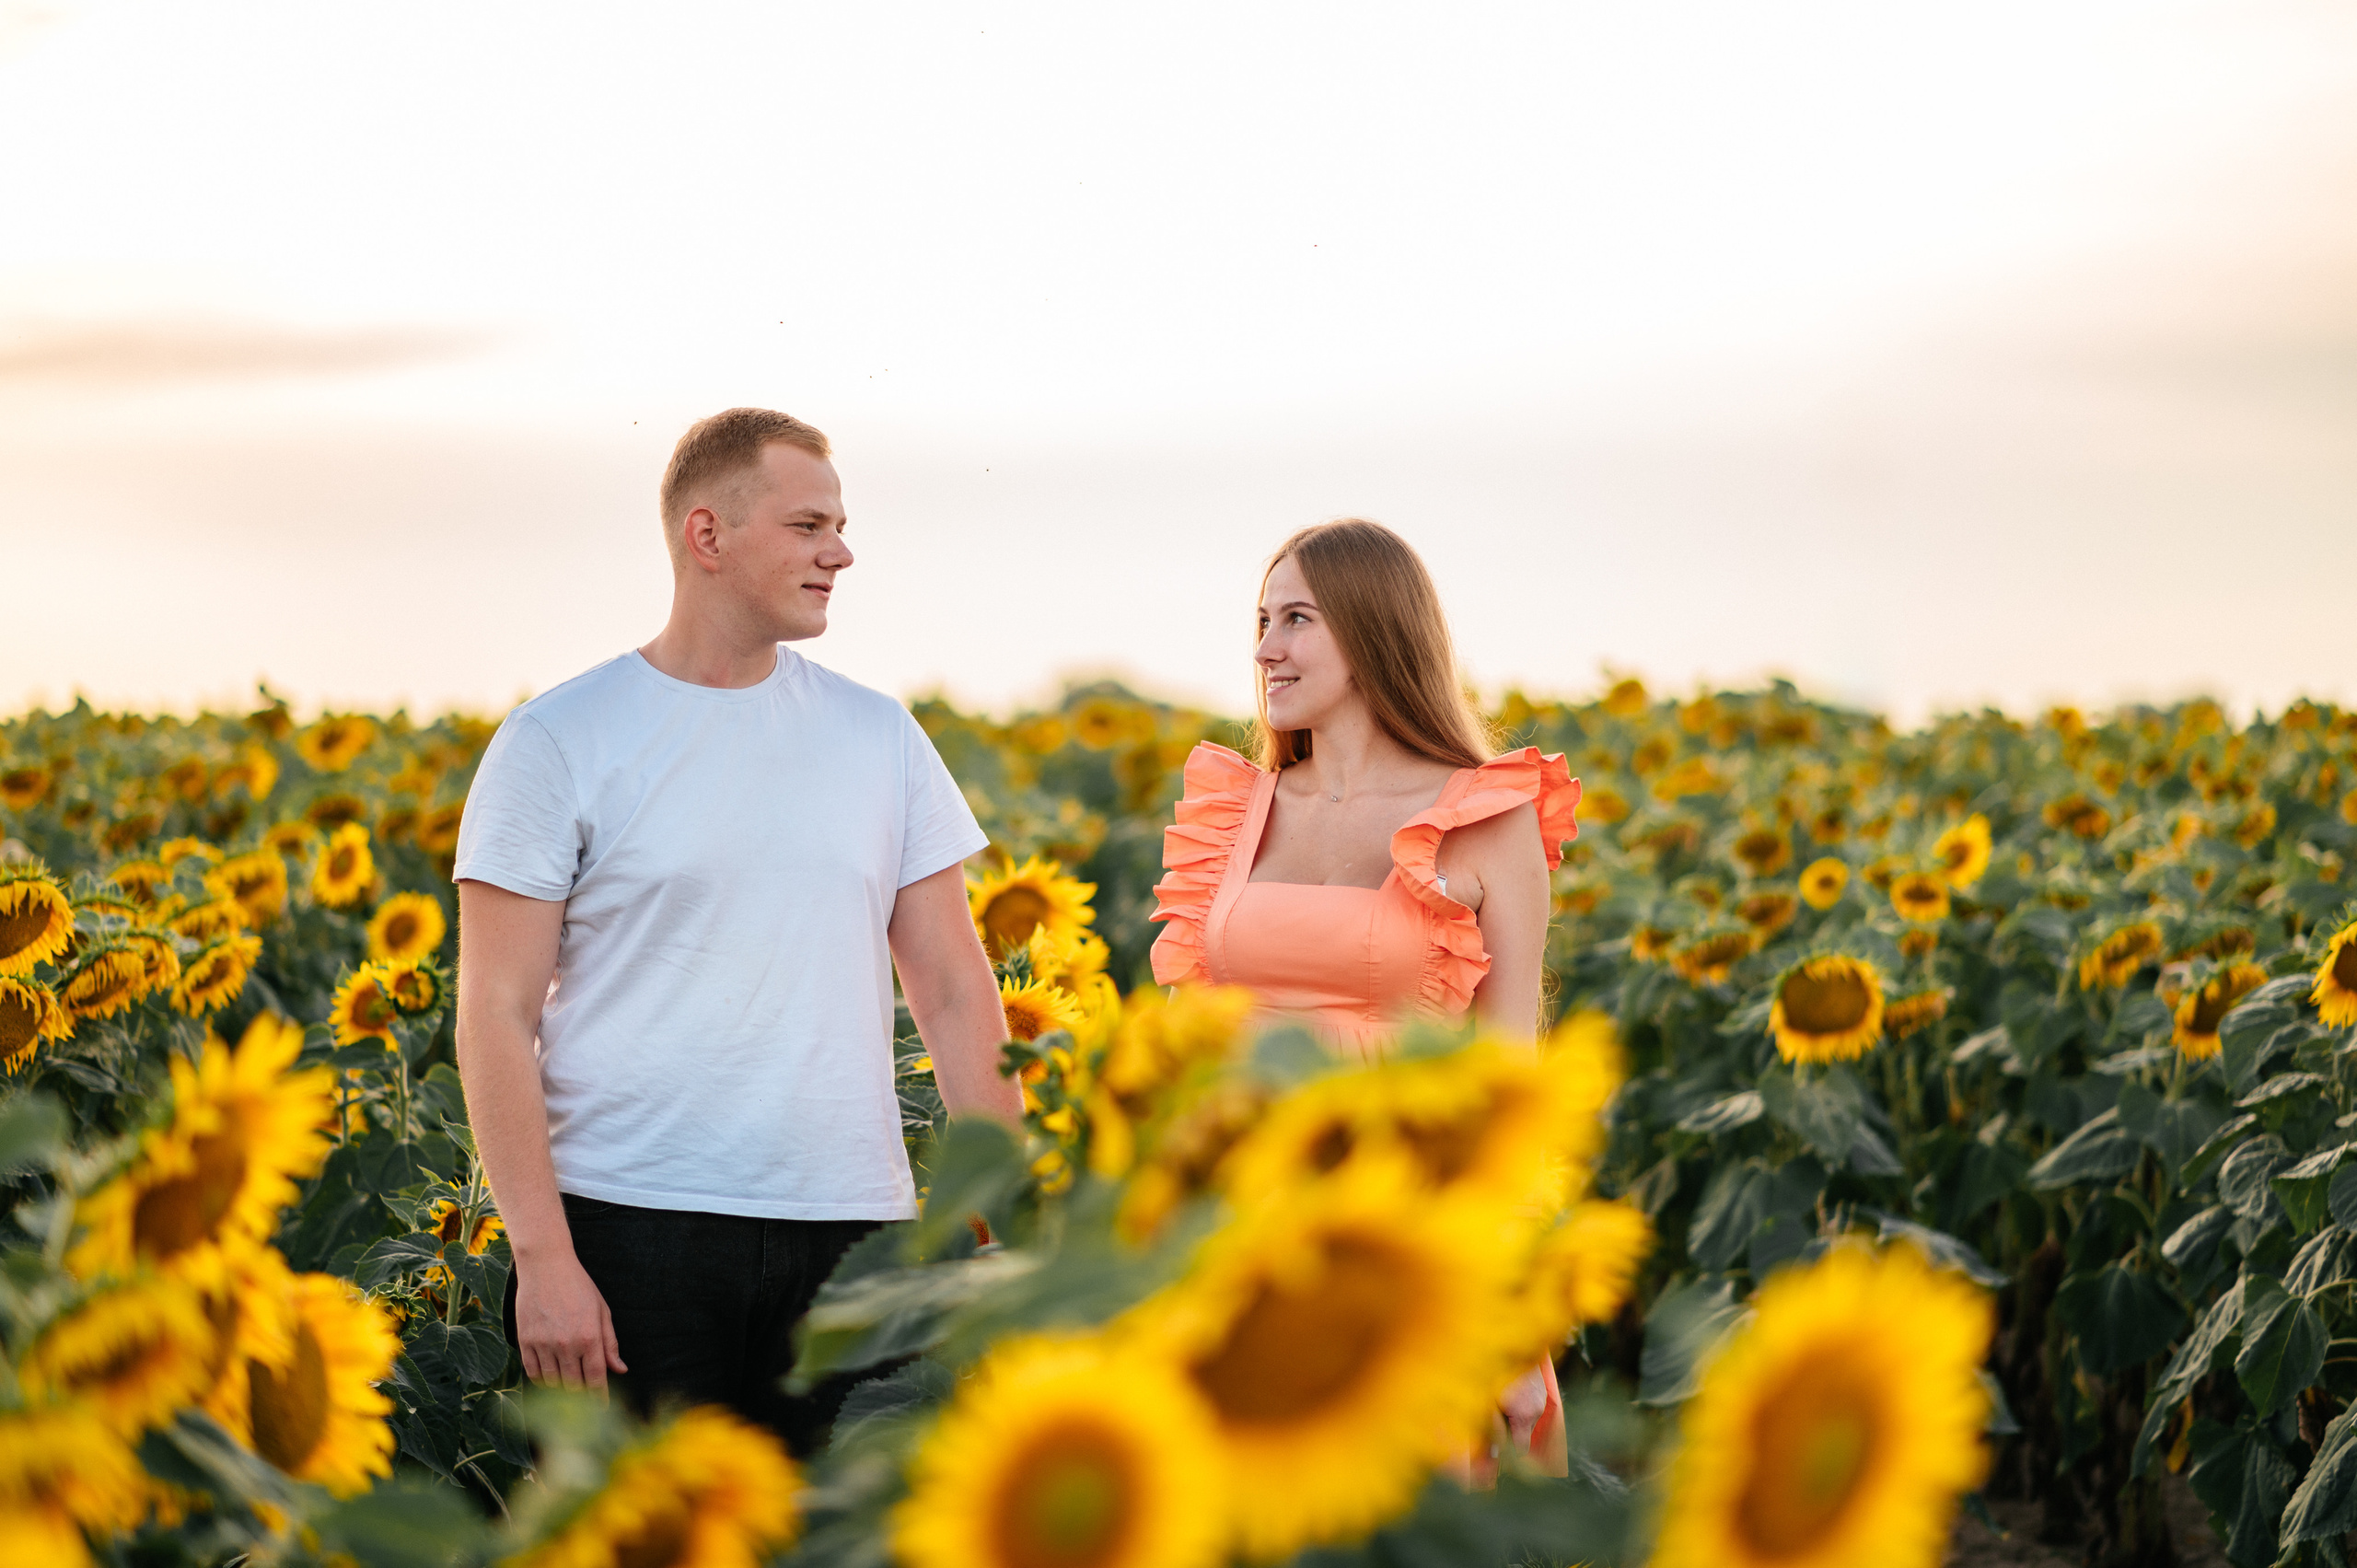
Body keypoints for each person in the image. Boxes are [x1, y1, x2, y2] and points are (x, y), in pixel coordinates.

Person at [453, 408, 1022, 1457]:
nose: (840, 552)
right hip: (627, 1233)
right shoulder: (558, 740)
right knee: (651, 1529)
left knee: (851, 1529)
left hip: (856, 1237)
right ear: (707, 535)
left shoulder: (880, 736)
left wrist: (1010, 1209)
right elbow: (494, 1010)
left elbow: (951, 988)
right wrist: (544, 1259)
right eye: (809, 525)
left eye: (840, 525)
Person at [1146, 517, 1581, 1476]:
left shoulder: (1484, 817)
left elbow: (1505, 1079)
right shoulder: (1233, 810)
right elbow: (1184, 1053)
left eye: (1297, 619)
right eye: (1262, 621)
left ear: (1375, 626)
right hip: (1235, 1230)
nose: (1266, 648)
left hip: (1401, 1241)